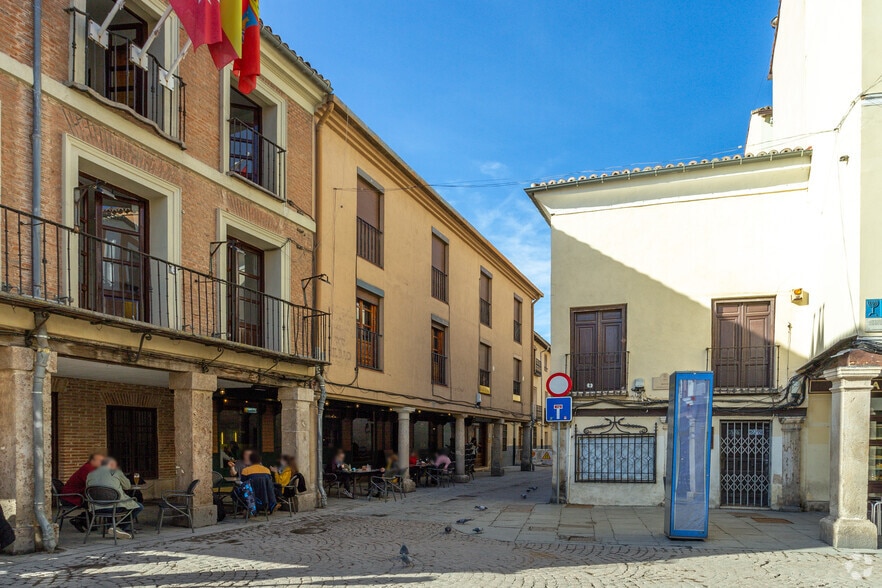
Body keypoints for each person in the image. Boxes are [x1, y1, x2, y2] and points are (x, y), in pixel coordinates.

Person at [85, 457, 142, 539]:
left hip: (96, 507)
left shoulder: (90, 474)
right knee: (139, 506)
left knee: (111, 502)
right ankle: (118, 528)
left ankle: (112, 527)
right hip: (115, 507)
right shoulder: (116, 472)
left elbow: (89, 489)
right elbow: (127, 486)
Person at [61, 453, 105, 532]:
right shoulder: (88, 469)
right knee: (99, 502)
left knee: (98, 500)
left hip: (77, 495)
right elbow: (92, 485)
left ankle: (84, 520)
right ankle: (81, 519)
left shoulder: (91, 468)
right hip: (71, 498)